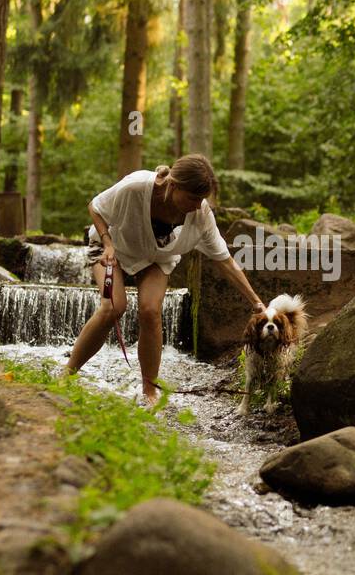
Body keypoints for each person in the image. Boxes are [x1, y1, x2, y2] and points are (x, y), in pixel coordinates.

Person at [65, 154, 265, 406]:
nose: (197, 205)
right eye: (193, 198)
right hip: (112, 248)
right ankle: (66, 375)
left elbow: (225, 261)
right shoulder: (135, 187)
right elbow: (95, 206)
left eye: (201, 199)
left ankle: (150, 391)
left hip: (156, 257)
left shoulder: (201, 215)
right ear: (173, 185)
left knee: (151, 311)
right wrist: (107, 241)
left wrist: (257, 303)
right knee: (113, 307)